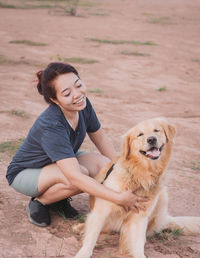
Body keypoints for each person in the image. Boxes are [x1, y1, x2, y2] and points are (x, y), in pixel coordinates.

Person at [6, 62, 147, 227]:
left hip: (58, 162)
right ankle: (41, 202)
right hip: (26, 172)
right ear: (54, 99)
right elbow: (75, 176)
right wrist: (118, 198)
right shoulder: (51, 125)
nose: (77, 94)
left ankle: (58, 200)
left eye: (78, 85)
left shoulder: (82, 105)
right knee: (80, 174)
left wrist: (123, 169)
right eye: (67, 93)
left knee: (106, 166)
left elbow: (100, 137)